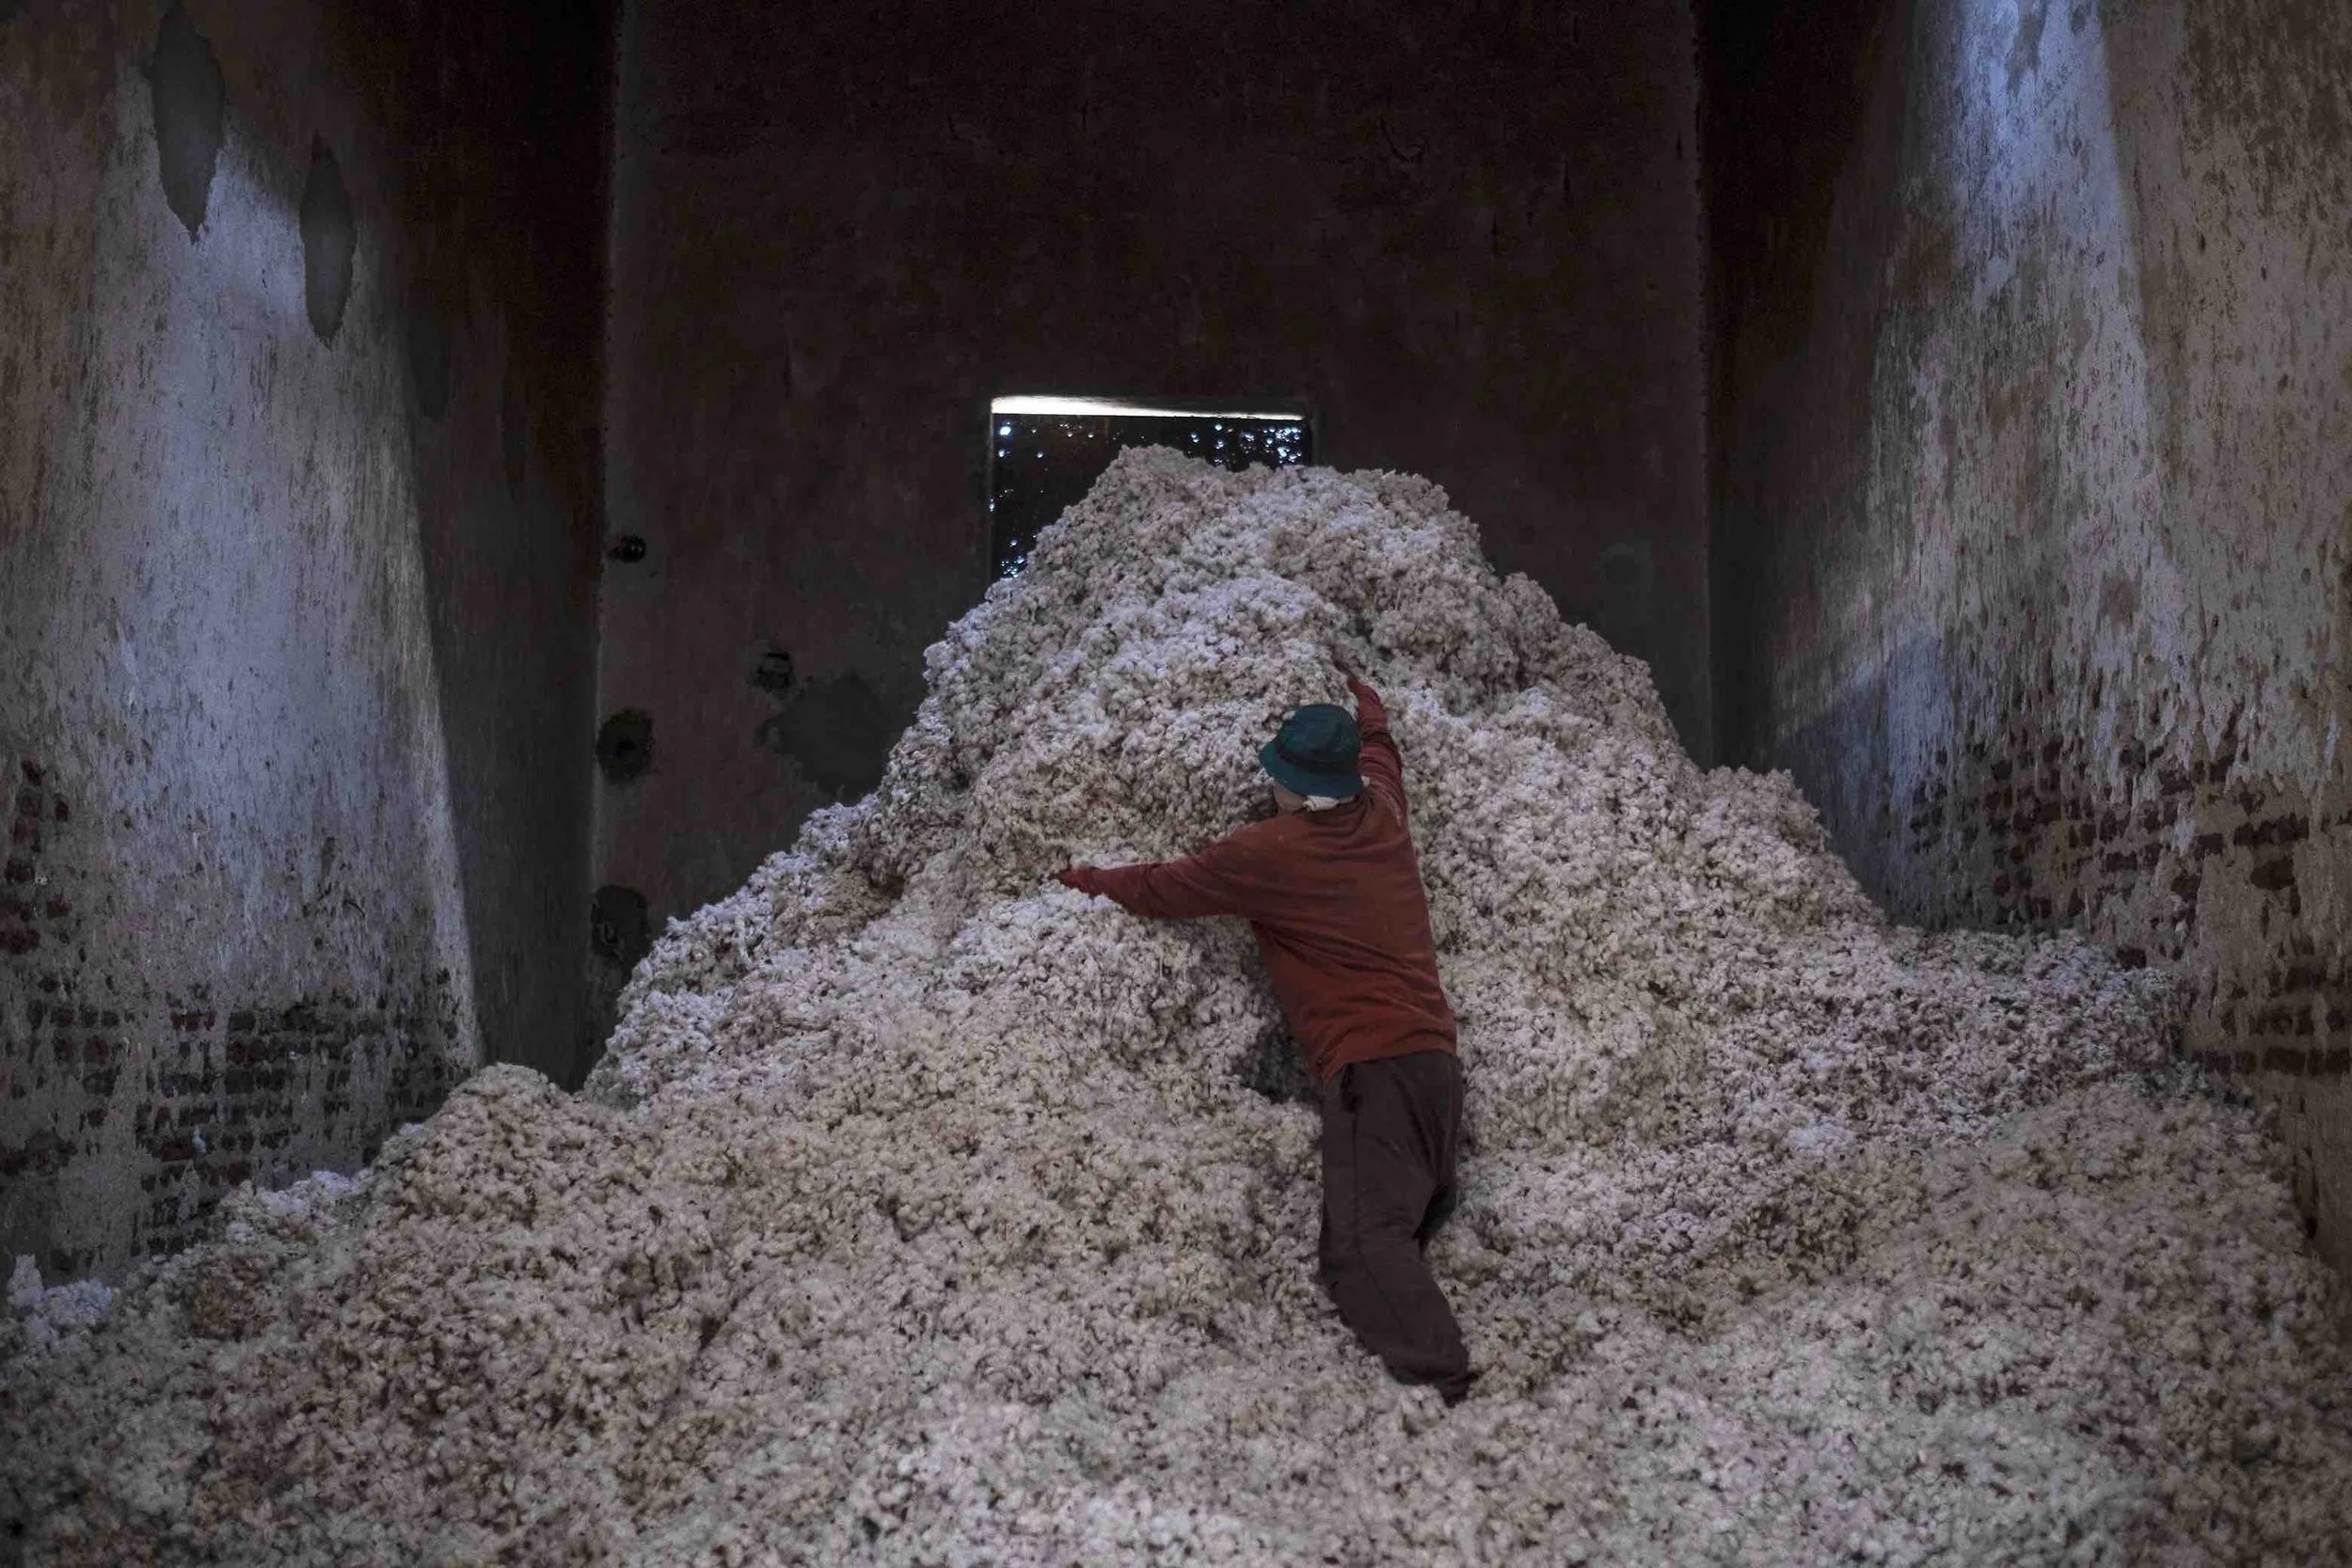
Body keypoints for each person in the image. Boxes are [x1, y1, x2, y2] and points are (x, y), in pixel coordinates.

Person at [1053, 667, 1473, 1404]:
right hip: (1437, 1071)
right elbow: (1384, 755)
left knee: (1360, 1250)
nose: (1269, 786)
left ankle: (1445, 1382)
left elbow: (1160, 887)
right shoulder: (1384, 814)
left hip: (1370, 1076)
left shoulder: (1271, 852)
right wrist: (1369, 712)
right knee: (1404, 1223)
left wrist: (1078, 878)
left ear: (1299, 794)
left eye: (1278, 776)